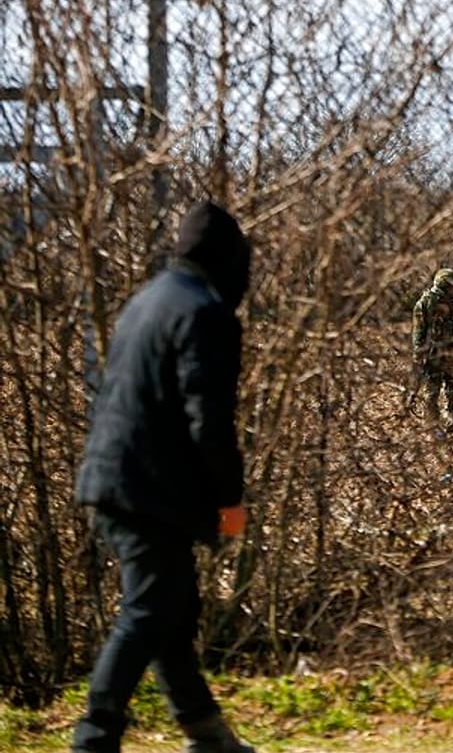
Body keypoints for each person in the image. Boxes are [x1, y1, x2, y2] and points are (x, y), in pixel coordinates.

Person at [71, 201, 256, 753]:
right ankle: (93, 739)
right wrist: (230, 506)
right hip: (147, 489)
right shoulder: (204, 313)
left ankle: (206, 732)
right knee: (150, 609)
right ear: (228, 261)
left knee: (171, 607)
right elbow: (209, 422)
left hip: (115, 479)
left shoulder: (147, 301)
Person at [411, 267, 453, 433]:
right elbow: (419, 331)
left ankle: (452, 421)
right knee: (432, 391)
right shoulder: (425, 304)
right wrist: (418, 353)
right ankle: (433, 426)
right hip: (432, 353)